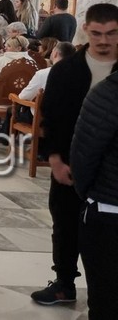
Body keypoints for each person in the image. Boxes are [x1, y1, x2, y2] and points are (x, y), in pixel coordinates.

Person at [34, 3, 118, 307]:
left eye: (111, 33)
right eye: (97, 33)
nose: (104, 41)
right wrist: (54, 158)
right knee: (65, 222)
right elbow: (51, 117)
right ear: (85, 30)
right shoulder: (66, 70)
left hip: (112, 169)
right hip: (70, 160)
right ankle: (64, 283)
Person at [71, 70, 118, 318]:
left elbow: (82, 159)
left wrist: (89, 193)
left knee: (105, 302)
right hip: (108, 207)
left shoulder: (107, 93)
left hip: (108, 211)